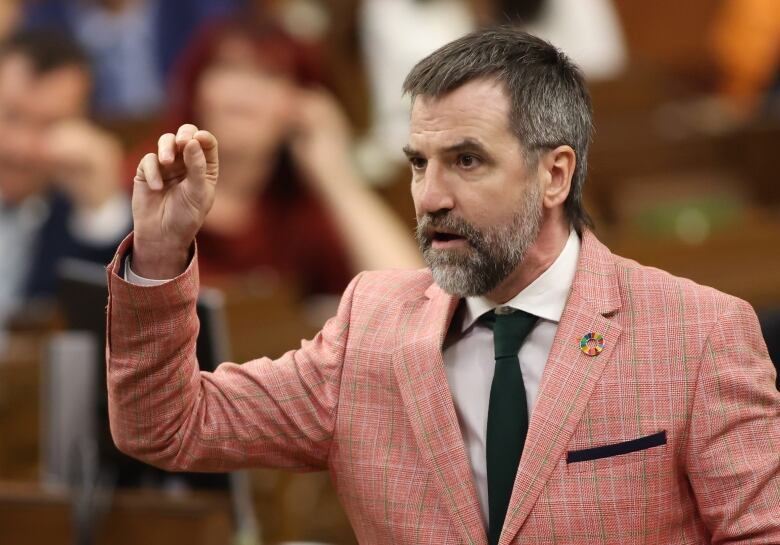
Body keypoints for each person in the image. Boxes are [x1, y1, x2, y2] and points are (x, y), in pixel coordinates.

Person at [106, 27, 780, 544]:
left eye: (465, 160)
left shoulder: (700, 333)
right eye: (418, 163)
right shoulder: (369, 326)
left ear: (555, 175)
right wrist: (162, 254)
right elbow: (166, 426)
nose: (429, 196)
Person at [156, 17, 420, 291]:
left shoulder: (304, 217)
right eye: (228, 67)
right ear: (195, 89)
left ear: (303, 104)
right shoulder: (151, 188)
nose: (244, 90)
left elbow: (410, 297)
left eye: (269, 74)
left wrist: (336, 177)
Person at [0, 29, 130, 326]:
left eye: (47, 125)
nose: (19, 147)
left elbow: (104, 330)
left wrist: (100, 209)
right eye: (10, 116)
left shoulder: (79, 215)